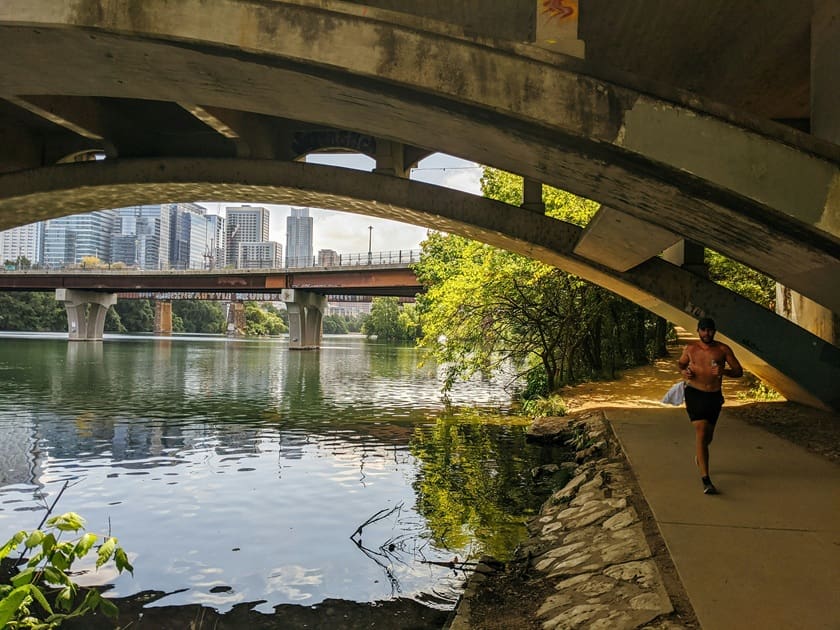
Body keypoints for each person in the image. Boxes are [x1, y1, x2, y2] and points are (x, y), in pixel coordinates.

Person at [677, 317, 743, 494]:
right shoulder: (691, 349)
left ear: (714, 331)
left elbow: (739, 371)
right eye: (703, 330)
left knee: (708, 437)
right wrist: (685, 372)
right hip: (695, 393)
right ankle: (706, 480)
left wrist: (724, 371)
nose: (707, 333)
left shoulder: (722, 349)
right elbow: (681, 364)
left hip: (714, 396)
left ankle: (700, 456)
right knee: (701, 430)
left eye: (710, 330)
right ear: (698, 331)